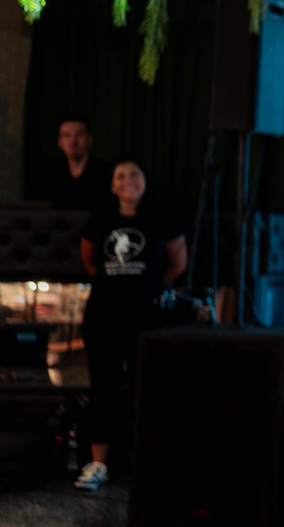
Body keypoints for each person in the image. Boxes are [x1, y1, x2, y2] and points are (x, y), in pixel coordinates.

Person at [75, 155, 187, 490]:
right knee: (103, 388)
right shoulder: (100, 218)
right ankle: (97, 465)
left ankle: (149, 464)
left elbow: (178, 263)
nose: (127, 181)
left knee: (149, 389)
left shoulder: (161, 217)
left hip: (149, 317)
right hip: (104, 316)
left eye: (134, 174)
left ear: (144, 180)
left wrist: (149, 286)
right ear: (112, 185)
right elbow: (91, 261)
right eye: (120, 176)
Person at [50, 115, 115, 213]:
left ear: (89, 139)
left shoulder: (106, 173)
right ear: (60, 142)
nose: (73, 142)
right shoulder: (52, 177)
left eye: (79, 135)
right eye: (67, 135)